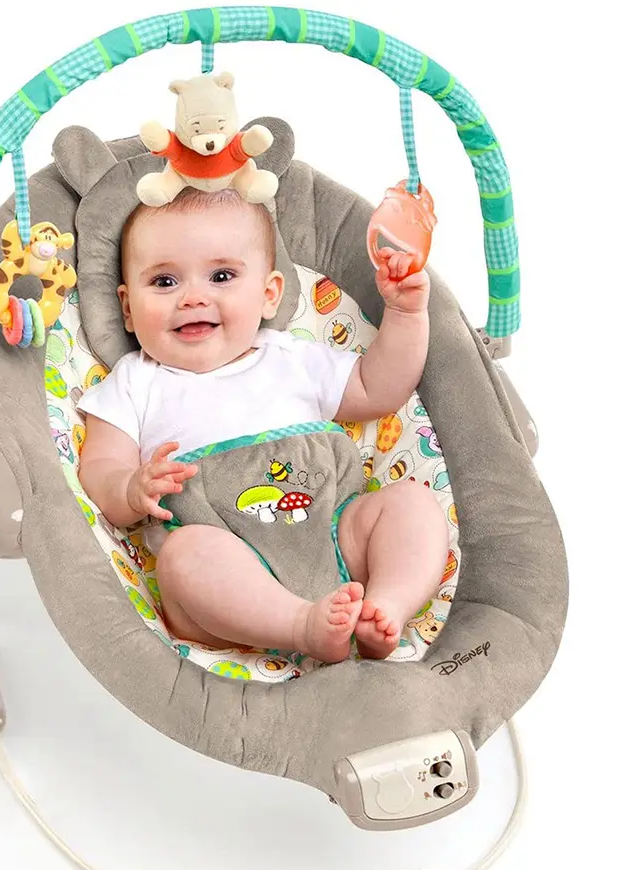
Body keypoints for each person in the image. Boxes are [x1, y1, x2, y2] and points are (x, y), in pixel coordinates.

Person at [76, 187, 448, 663]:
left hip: (335, 534)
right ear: (128, 308)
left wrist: (405, 314)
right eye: (165, 282)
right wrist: (131, 490)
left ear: (269, 294)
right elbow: (100, 468)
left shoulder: (291, 358)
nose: (193, 298)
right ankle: (302, 625)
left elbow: (379, 388)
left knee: (412, 503)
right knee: (184, 555)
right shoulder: (135, 382)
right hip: (225, 579)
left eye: (222, 276)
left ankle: (385, 606)